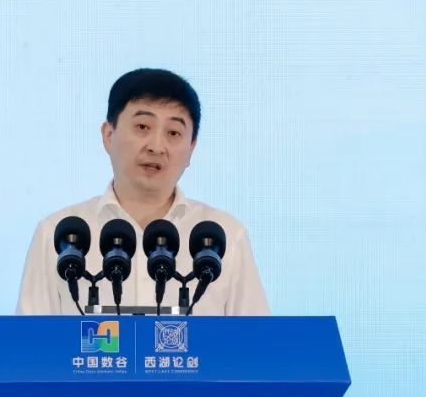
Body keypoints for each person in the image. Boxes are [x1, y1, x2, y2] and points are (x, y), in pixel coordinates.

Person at [15, 68, 269, 315]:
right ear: (108, 135)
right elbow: (29, 340)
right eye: (142, 127)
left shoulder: (226, 236)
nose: (156, 147)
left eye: (173, 133)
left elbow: (257, 340)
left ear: (191, 148)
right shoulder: (57, 235)